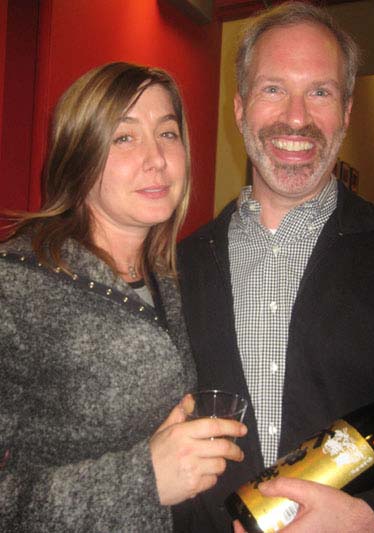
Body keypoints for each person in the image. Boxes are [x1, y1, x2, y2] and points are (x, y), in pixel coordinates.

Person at [176, 2, 374, 532]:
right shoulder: (180, 265)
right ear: (240, 107)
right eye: (273, 88)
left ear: (346, 112)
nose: (296, 117)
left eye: (319, 91)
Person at [0, 62, 247, 532]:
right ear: (79, 155)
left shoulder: (176, 280)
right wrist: (143, 479)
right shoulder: (15, 287)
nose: (156, 158)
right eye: (124, 137)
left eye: (168, 133)